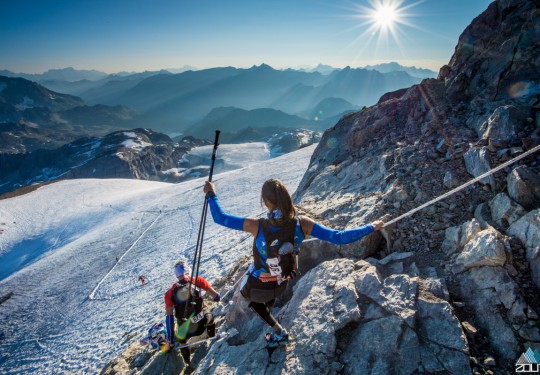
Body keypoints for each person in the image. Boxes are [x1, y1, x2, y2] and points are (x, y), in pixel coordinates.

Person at [203, 178, 384, 347]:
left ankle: (278, 332)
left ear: (266, 202)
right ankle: (274, 318)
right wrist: (371, 227)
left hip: (257, 287)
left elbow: (220, 218)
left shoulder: (256, 225)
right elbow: (338, 237)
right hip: (283, 282)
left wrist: (211, 194)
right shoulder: (302, 224)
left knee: (253, 301)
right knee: (264, 296)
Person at [164, 260, 221, 366]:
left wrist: (171, 340)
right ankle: (212, 339)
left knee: (181, 338)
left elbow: (169, 318)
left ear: (176, 275)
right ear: (188, 270)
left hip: (185, 332)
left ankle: (188, 363)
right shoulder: (198, 280)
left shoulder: (170, 293)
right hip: (202, 323)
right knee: (209, 315)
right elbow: (216, 297)